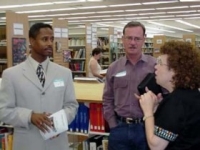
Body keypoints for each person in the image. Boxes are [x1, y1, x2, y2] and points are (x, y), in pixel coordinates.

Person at [0, 23, 79, 150]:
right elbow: (3, 110)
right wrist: (29, 116)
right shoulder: (11, 75)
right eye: (44, 39)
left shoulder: (65, 73)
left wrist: (59, 123)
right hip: (27, 143)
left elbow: (72, 106)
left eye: (51, 39)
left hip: (57, 142)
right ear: (32, 41)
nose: (49, 43)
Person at [102, 21, 156, 150]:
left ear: (144, 39)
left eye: (137, 38)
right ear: (123, 39)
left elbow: (165, 97)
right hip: (119, 128)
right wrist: (112, 124)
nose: (132, 42)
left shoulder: (155, 66)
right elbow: (107, 99)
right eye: (129, 38)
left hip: (146, 128)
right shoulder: (113, 68)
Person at [138, 41, 200, 150]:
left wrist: (147, 112)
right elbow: (176, 128)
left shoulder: (175, 102)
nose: (155, 67)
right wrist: (157, 109)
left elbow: (156, 146)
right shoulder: (192, 95)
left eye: (160, 63)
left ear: (175, 71)